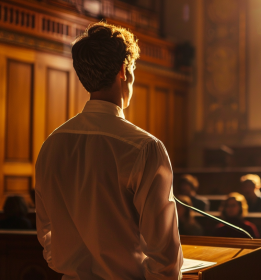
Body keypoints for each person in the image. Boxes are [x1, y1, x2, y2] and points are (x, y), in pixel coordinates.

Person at [34, 22, 183, 279]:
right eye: (133, 70)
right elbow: (164, 257)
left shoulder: (51, 145)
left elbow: (46, 232)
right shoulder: (145, 148)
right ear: (124, 71)